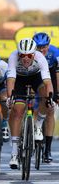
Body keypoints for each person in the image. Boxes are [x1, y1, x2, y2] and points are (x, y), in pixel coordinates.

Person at [6, 38, 53, 169]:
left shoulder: (40, 58)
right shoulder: (13, 57)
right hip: (19, 79)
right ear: (18, 54)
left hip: (35, 77)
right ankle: (14, 153)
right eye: (22, 55)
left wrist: (50, 98)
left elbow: (48, 82)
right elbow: (10, 79)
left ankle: (38, 125)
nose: (25, 58)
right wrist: (10, 97)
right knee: (17, 111)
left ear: (34, 54)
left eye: (29, 55)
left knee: (45, 95)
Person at [33, 32, 59, 163]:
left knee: (50, 110)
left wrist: (57, 93)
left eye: (45, 46)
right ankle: (27, 133)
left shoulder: (55, 53)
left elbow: (58, 75)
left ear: (49, 45)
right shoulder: (29, 53)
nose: (42, 49)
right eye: (39, 47)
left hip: (52, 77)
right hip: (35, 77)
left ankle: (47, 150)